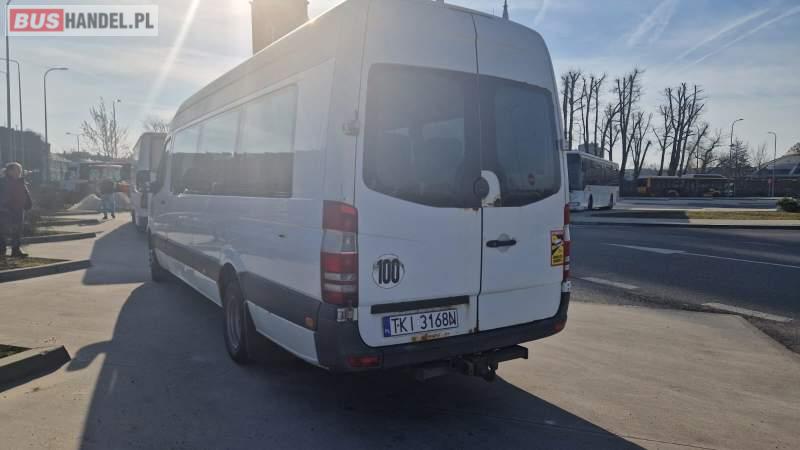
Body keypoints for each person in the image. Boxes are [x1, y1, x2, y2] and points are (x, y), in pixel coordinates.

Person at [0, 162, 33, 258]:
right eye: (17, 170)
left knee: (17, 231)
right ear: (9, 171)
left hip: (18, 209)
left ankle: (16, 250)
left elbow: (25, 193)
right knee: (3, 231)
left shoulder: (21, 181)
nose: (19, 172)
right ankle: (1, 250)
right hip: (5, 210)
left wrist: (28, 203)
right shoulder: (2, 182)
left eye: (20, 170)